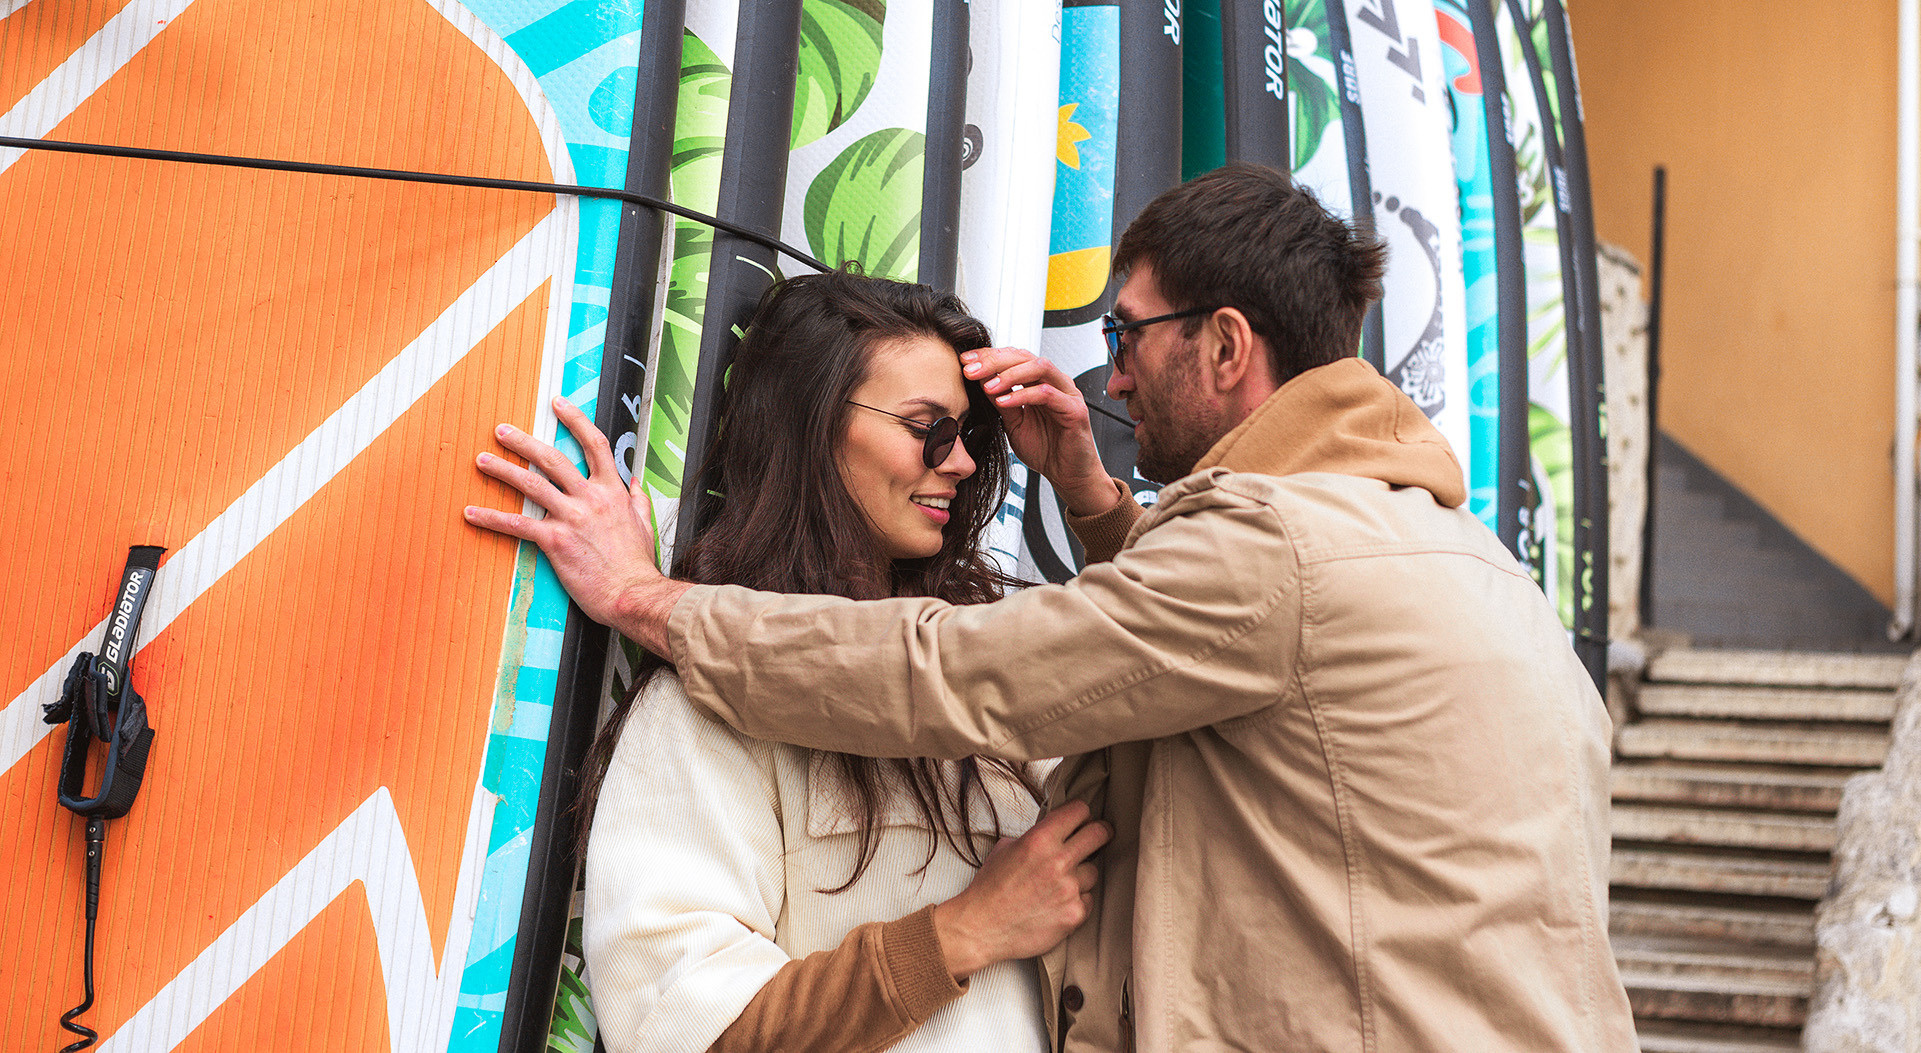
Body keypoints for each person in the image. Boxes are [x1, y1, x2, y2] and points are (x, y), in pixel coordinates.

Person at [469, 165, 1637, 1052]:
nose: (1109, 378)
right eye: (934, 431)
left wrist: (645, 597)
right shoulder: (1456, 555)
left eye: (1124, 334)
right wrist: (1092, 503)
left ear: (1225, 344)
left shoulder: (1273, 557)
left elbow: (956, 672)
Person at [484, 274, 1110, 1053]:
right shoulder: (701, 709)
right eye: (928, 428)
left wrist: (1091, 493)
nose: (958, 464)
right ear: (814, 428)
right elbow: (684, 1029)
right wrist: (958, 934)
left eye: (968, 437)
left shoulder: (986, 686)